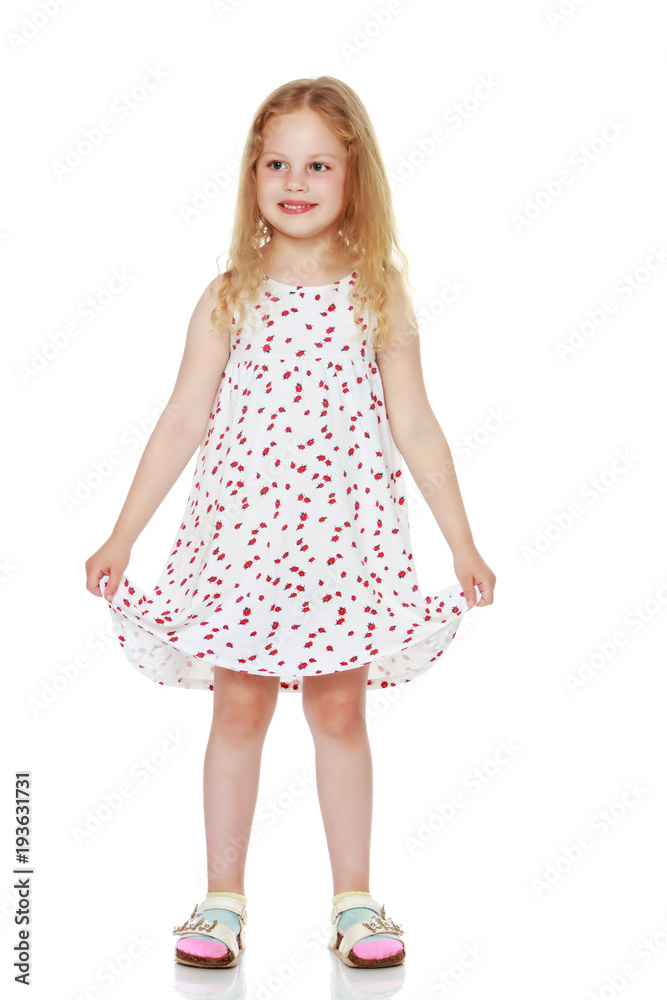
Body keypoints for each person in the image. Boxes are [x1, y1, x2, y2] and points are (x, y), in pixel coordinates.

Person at [85, 75, 496, 971]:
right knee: (240, 704)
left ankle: (355, 903)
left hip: (343, 545)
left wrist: (461, 540)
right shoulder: (229, 295)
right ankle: (221, 901)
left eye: (318, 165)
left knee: (339, 707)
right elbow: (182, 419)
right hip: (243, 541)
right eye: (276, 164)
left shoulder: (376, 295)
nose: (295, 182)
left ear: (354, 177)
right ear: (252, 174)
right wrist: (122, 533)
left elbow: (415, 425)